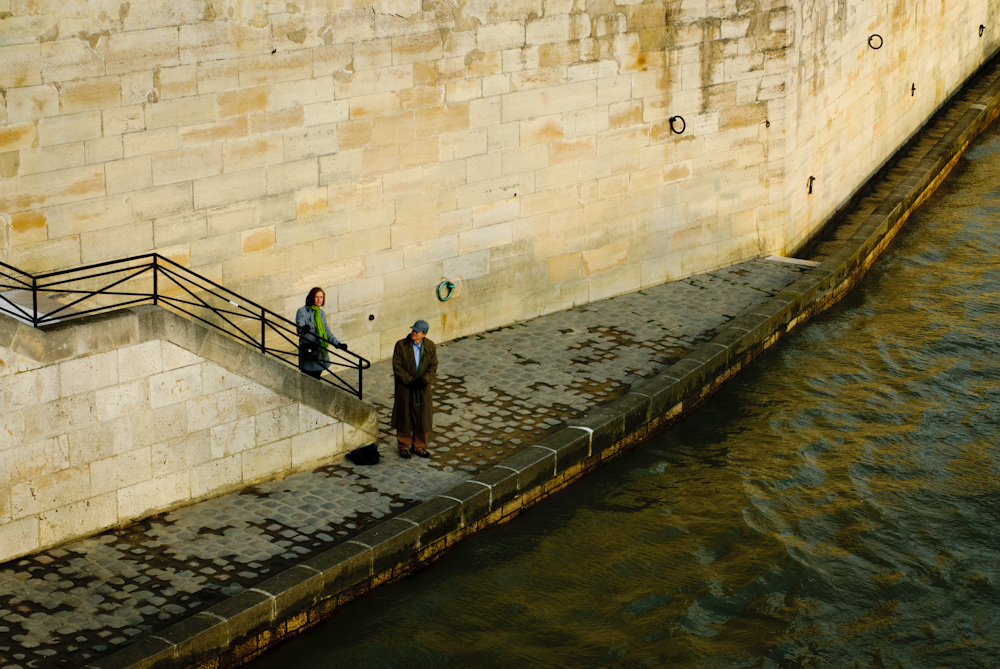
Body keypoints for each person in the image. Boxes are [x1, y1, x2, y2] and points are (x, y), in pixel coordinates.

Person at [391, 319, 437, 458]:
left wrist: (424, 381)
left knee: (423, 415)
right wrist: (410, 380)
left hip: (423, 387)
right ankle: (404, 446)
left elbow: (433, 366)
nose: (413, 332)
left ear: (424, 334)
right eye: (413, 330)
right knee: (404, 415)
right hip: (405, 387)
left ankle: (419, 446)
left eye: (416, 331)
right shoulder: (401, 345)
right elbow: (397, 366)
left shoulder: (430, 346)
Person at [295, 287, 345, 379]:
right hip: (309, 350)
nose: (319, 299)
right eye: (316, 297)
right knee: (308, 376)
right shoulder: (302, 311)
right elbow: (299, 326)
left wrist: (338, 344)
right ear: (311, 297)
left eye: (321, 297)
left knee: (317, 375)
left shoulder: (321, 313)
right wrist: (304, 328)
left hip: (320, 350)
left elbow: (326, 331)